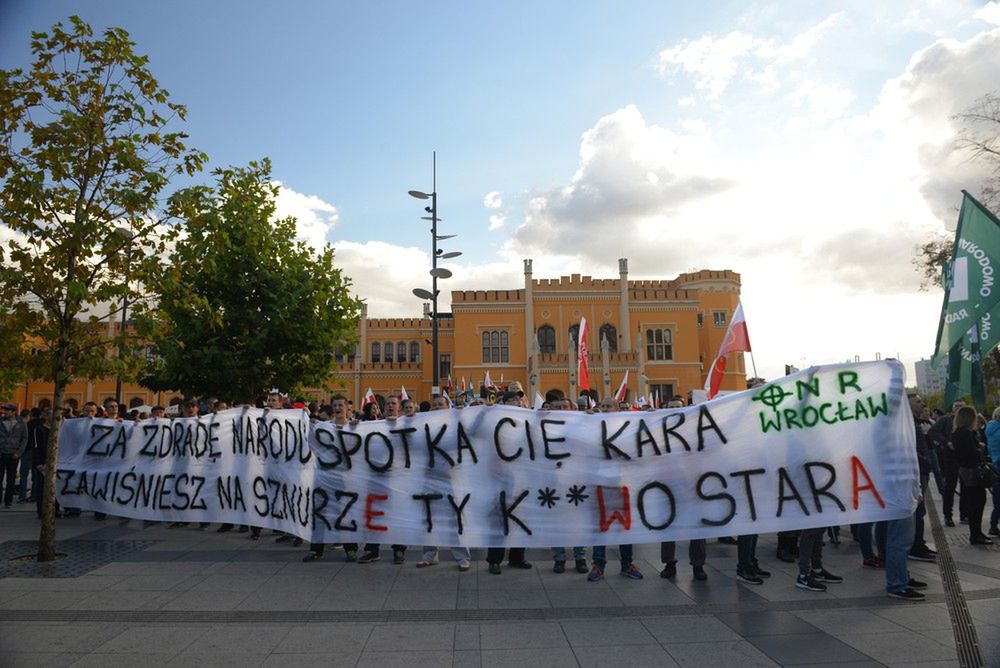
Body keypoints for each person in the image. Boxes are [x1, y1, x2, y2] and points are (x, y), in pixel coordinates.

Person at [587, 397, 643, 582]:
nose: (604, 408)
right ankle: (598, 565)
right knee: (600, 526)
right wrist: (583, 420)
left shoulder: (627, 428)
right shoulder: (592, 427)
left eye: (609, 405)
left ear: (618, 409)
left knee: (624, 526)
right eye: (602, 405)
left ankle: (627, 564)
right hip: (599, 483)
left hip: (622, 484)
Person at [415, 395, 471, 571]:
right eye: (435, 405)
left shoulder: (455, 426)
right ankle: (429, 555)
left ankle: (462, 557)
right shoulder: (424, 426)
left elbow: (472, 434)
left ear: (448, 407)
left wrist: (463, 417)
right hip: (429, 478)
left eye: (441, 404)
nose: (438, 407)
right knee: (429, 519)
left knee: (454, 519)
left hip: (449, 479)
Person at [885, 394, 931, 600]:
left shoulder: (902, 434)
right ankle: (896, 584)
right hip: (898, 494)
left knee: (903, 540)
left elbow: (911, 464)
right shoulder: (892, 437)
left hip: (907, 493)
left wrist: (917, 489)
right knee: (899, 541)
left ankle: (902, 576)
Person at [485, 391, 533, 575]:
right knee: (499, 519)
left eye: (519, 399)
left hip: (523, 476)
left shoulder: (527, 419)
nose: (517, 402)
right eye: (513, 399)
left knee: (521, 518)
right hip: (500, 476)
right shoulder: (495, 420)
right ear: (503, 403)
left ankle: (517, 556)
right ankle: (494, 560)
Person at [545, 389, 588, 574]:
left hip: (577, 483)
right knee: (556, 523)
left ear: (573, 409)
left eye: (565, 407)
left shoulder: (583, 426)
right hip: (553, 482)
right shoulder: (544, 426)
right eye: (557, 407)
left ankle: (580, 557)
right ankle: (559, 558)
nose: (561, 409)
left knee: (579, 522)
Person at [954, 405, 991, 545]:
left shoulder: (958, 432)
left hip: (965, 470)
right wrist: (979, 448)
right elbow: (972, 452)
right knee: (977, 501)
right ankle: (976, 534)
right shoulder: (965, 433)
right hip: (971, 470)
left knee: (975, 501)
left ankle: (977, 533)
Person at [928, 401, 965, 526]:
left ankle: (964, 514)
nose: (959, 408)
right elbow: (932, 432)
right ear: (953, 408)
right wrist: (946, 442)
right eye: (957, 406)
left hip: (965, 458)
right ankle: (948, 515)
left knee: (966, 486)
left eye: (962, 406)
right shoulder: (946, 420)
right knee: (950, 486)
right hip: (950, 457)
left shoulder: (966, 420)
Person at [0, 403, 28, 508]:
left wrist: (19, 452)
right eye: (4, 410)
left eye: (7, 410)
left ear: (13, 412)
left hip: (13, 454)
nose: (4, 412)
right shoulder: (1, 421)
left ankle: (8, 501)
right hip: (1, 453)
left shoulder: (21, 423)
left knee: (11, 479)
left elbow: (25, 438)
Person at [985, 407, 1000, 537]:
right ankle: (994, 525)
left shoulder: (990, 428)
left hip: (995, 462)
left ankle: (993, 525)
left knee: (997, 497)